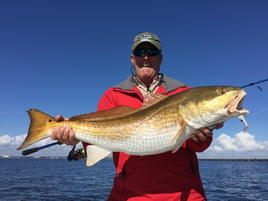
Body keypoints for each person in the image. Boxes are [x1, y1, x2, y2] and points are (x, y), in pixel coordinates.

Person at [51, 32, 223, 201]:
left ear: (161, 58)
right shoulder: (113, 95)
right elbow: (97, 137)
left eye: (152, 52)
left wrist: (200, 138)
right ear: (132, 59)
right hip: (129, 194)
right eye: (140, 53)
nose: (146, 57)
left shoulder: (183, 93)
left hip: (185, 194)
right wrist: (74, 137)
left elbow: (198, 146)